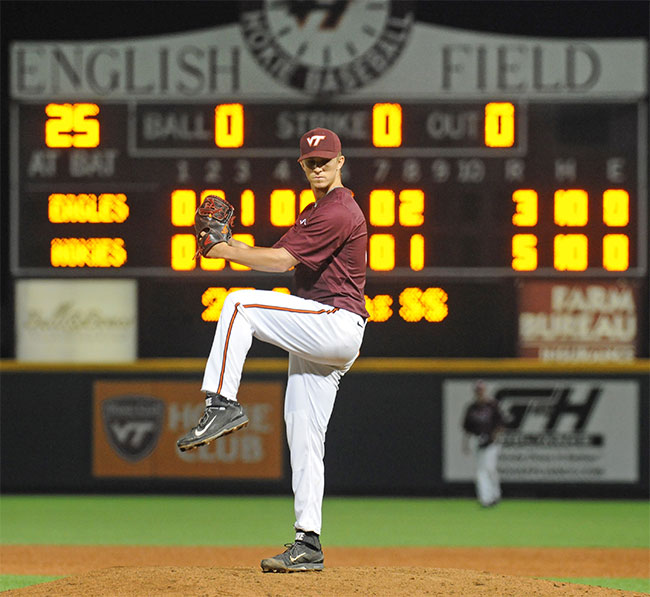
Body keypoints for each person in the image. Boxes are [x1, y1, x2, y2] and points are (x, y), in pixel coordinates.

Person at [177, 127, 368, 572]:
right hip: (321, 332)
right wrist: (232, 246)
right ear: (303, 166)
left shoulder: (339, 209)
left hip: (334, 322)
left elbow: (280, 263)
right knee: (303, 433)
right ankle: (308, 543)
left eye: (325, 160)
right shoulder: (314, 211)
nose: (318, 167)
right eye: (310, 162)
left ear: (340, 162)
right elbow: (271, 255)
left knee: (238, 303)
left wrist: (223, 249)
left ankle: (221, 403)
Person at [462, 380, 505, 507]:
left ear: (484, 390)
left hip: (492, 441)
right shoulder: (471, 408)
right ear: (475, 392)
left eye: (481, 390)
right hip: (477, 440)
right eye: (477, 390)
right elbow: (467, 428)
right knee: (481, 470)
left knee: (490, 469)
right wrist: (465, 444)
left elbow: (501, 424)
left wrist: (493, 438)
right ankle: (486, 499)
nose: (479, 392)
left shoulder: (492, 405)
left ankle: (495, 494)